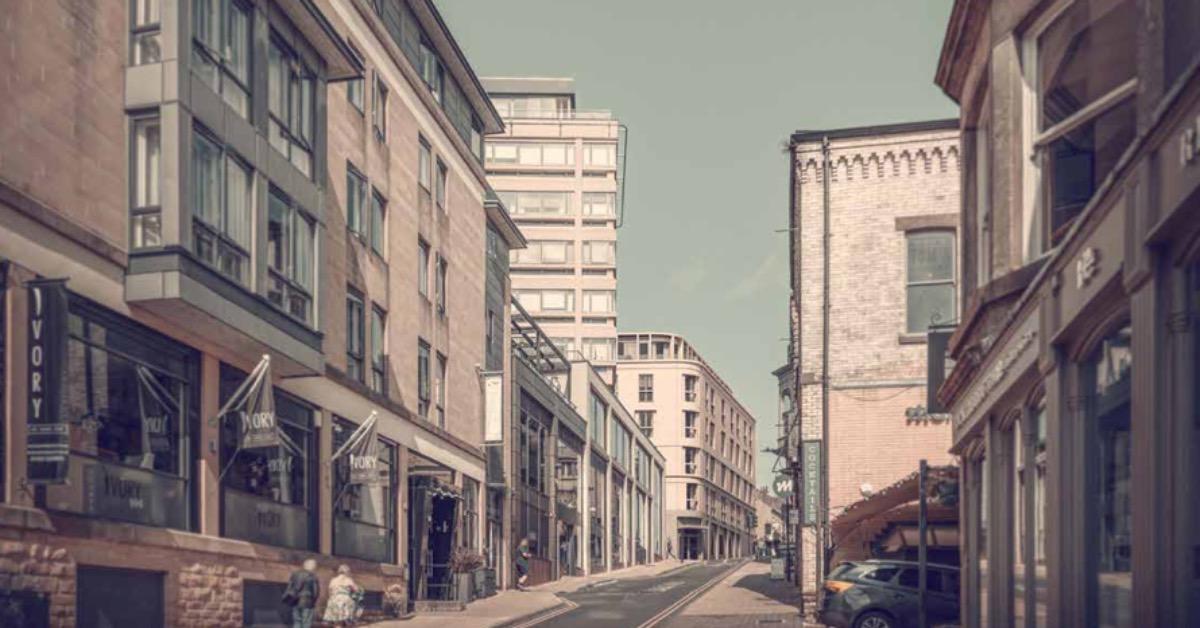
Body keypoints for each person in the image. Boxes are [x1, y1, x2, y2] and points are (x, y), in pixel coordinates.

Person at [283, 559, 320, 628]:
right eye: (315, 566)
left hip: (295, 601)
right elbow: (316, 592)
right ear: (313, 567)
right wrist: (314, 602)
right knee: (306, 622)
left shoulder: (295, 574)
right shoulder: (313, 576)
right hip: (308, 602)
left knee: (297, 621)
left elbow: (289, 587)